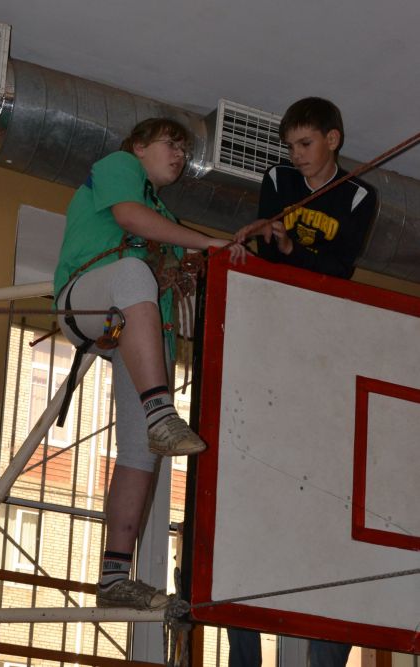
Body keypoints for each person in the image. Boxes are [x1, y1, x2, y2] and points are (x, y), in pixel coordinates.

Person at [53, 117, 245, 611]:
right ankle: (161, 412)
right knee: (133, 272)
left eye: (184, 150)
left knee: (140, 452)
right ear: (138, 146)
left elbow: (175, 262)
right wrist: (206, 243)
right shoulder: (120, 166)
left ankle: (114, 578)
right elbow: (130, 218)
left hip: (129, 327)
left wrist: (211, 255)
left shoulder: (164, 216)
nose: (179, 156)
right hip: (87, 302)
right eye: (170, 144)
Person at [232, 97, 377, 666]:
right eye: (290, 146)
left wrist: (291, 246)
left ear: (332, 139)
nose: (296, 156)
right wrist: (275, 245)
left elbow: (340, 267)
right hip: (277, 311)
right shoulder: (278, 180)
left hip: (323, 320)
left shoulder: (359, 195)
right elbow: (266, 253)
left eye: (305, 144)